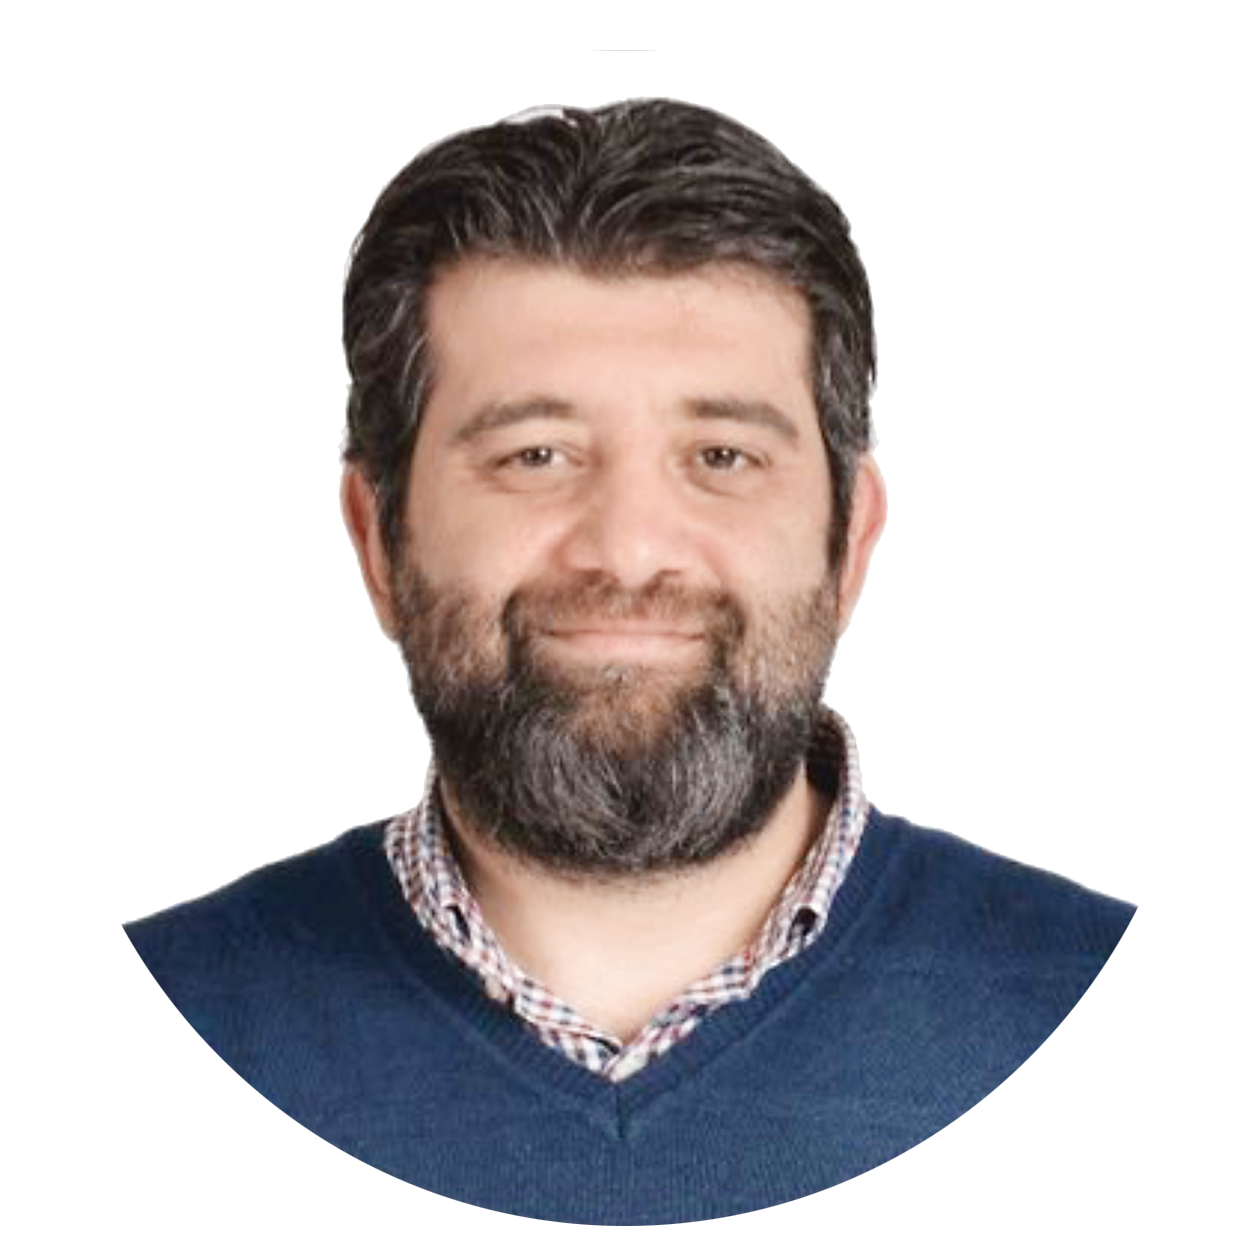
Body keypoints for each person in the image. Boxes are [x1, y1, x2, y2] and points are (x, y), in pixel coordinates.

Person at [124, 97, 1135, 1225]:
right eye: (536, 454)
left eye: (722, 456)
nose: (631, 549)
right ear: (378, 541)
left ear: (849, 541)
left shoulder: (1138, 1023)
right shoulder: (129, 1036)